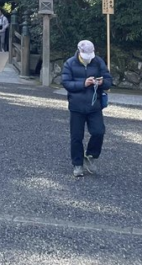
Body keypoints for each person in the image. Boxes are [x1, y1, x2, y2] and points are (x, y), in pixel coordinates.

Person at [61, 40, 112, 178]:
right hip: (76, 106)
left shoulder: (98, 62)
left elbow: (109, 81)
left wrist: (102, 82)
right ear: (79, 52)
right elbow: (66, 83)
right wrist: (83, 83)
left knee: (99, 132)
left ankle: (91, 155)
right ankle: (77, 164)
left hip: (94, 105)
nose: (88, 58)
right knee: (76, 137)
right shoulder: (70, 63)